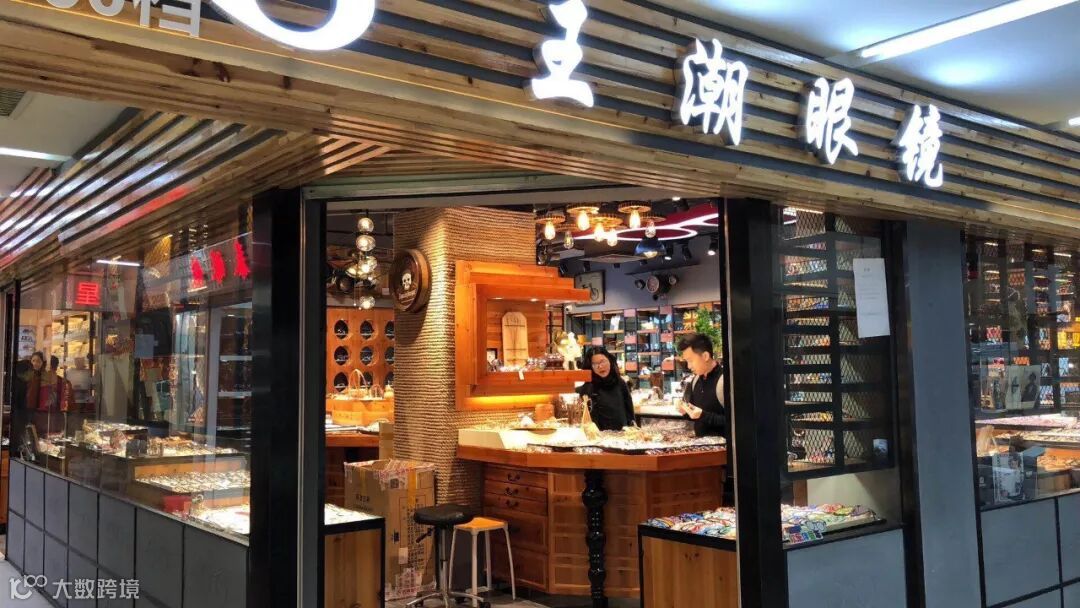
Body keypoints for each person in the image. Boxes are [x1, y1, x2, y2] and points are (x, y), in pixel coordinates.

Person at [676, 333, 726, 439]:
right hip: (701, 445)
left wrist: (703, 415)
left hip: (724, 447)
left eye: (690, 361)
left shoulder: (724, 381)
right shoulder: (695, 381)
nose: (689, 366)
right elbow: (695, 416)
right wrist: (685, 412)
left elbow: (737, 421)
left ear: (705, 356)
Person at [576, 347, 635, 431]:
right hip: (598, 436)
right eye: (594, 364)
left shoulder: (620, 382)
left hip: (622, 435)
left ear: (609, 360)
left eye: (602, 361)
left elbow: (629, 412)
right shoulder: (588, 388)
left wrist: (632, 430)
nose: (600, 366)